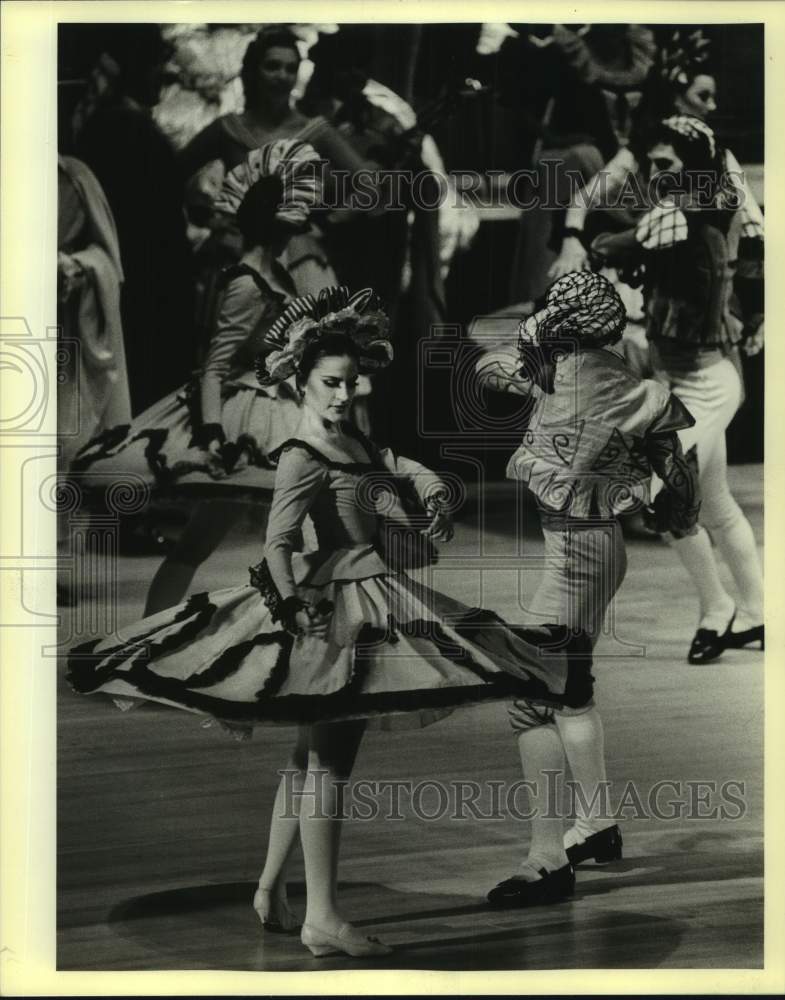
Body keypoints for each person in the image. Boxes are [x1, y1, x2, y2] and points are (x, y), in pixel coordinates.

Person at [68, 286, 595, 958]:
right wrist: (294, 608)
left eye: (350, 382)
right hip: (334, 613)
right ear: (301, 381)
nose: (343, 394)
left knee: (306, 761)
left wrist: (427, 481)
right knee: (329, 763)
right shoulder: (300, 452)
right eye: (330, 383)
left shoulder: (346, 436)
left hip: (371, 592)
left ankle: (271, 887)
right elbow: (278, 544)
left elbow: (386, 463)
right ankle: (323, 916)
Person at [474, 270, 701, 906]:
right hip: (586, 547)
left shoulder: (583, 373)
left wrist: (533, 333)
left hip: (581, 553)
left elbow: (495, 358)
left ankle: (549, 861)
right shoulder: (587, 365)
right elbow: (495, 358)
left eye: (549, 311)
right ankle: (595, 826)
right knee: (570, 693)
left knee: (532, 697)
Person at [71, 139, 321, 615]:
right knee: (226, 538)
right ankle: (153, 636)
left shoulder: (275, 275)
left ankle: (302, 638)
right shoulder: (248, 282)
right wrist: (213, 434)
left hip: (278, 406)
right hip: (249, 418)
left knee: (276, 533)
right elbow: (216, 364)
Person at [589, 116, 764, 663]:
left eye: (665, 164)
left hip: (709, 383)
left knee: (666, 498)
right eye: (651, 163)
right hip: (688, 377)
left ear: (692, 165)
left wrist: (598, 236)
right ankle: (757, 613)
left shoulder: (689, 214)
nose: (653, 172)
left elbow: (615, 241)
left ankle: (718, 611)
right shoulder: (704, 204)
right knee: (715, 503)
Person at [179, 25, 382, 298]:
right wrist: (205, 217)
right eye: (272, 66)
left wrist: (330, 222)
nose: (282, 77)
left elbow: (371, 186)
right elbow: (171, 174)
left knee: (307, 334)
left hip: (297, 256)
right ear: (254, 71)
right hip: (236, 254)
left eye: (290, 69)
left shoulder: (314, 131)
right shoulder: (228, 129)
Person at [72, 24, 196, 413]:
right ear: (138, 64)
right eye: (159, 62)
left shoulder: (115, 121)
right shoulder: (126, 127)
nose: (168, 73)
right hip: (145, 289)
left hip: (139, 283)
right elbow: (144, 225)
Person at [57, 155, 131, 606]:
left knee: (54, 453)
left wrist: (78, 269)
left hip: (61, 345)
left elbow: (105, 259)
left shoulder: (71, 175)